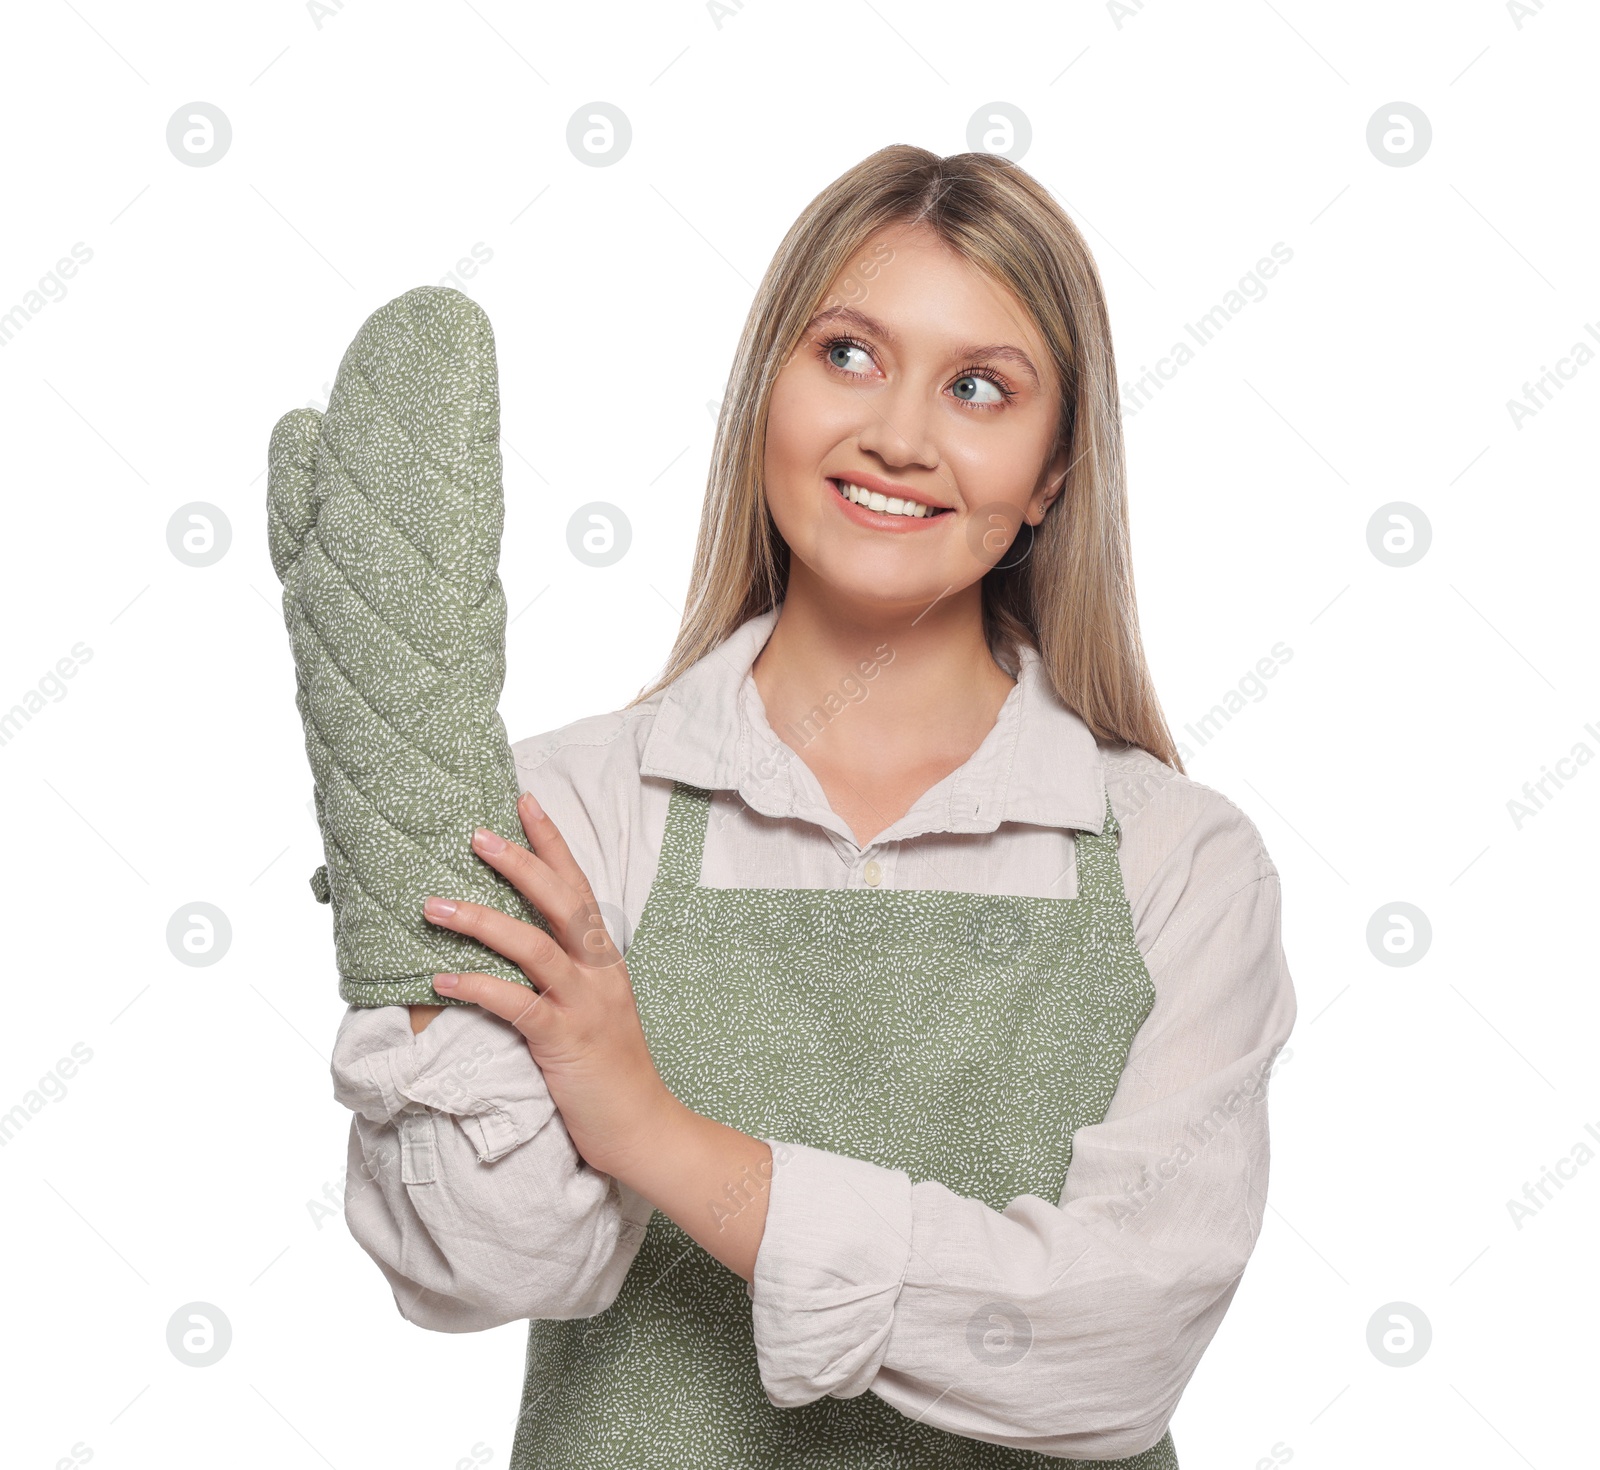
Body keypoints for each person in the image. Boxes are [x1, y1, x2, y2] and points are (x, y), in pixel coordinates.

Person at [330, 144, 1296, 1468]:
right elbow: (480, 1266)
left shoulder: (1183, 865)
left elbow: (1118, 1344)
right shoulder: (572, 810)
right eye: (847, 353)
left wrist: (658, 1137)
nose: (898, 432)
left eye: (977, 387)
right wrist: (405, 832)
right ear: (764, 394)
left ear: (1056, 468)